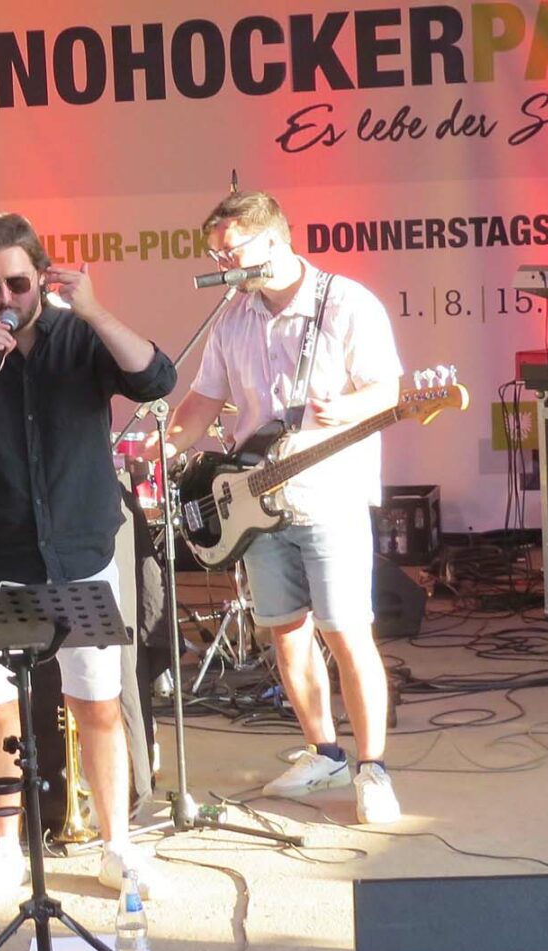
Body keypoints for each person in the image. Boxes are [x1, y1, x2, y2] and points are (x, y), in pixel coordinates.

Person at [0, 213, 178, 903]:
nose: (5, 299)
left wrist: (93, 309)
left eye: (18, 283)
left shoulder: (80, 337)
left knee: (98, 704)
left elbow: (156, 379)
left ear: (41, 278)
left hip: (80, 552)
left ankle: (117, 847)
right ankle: (4, 851)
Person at [152, 190, 403, 824]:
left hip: (329, 494)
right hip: (256, 501)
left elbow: (389, 390)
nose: (223, 264)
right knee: (286, 633)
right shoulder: (233, 319)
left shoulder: (345, 303)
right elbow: (203, 402)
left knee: (346, 632)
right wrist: (155, 449)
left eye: (231, 251)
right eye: (217, 254)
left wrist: (346, 410)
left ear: (272, 241)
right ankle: (325, 753)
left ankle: (373, 768)